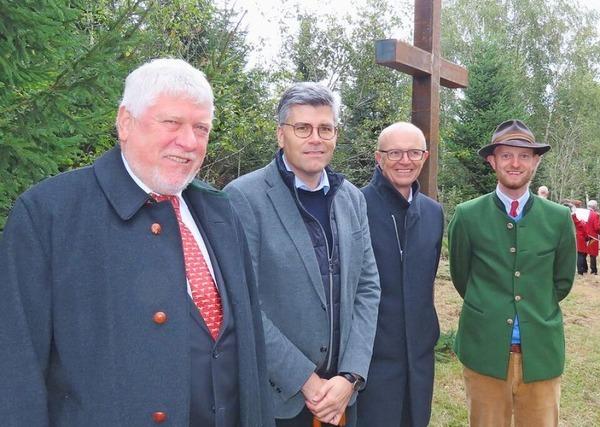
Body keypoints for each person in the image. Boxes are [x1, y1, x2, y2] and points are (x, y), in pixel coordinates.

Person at [0, 58, 274, 427]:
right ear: (125, 123)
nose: (190, 142)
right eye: (172, 123)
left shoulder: (220, 211)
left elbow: (249, 352)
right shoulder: (49, 214)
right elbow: (15, 369)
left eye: (201, 128)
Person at [224, 82, 380, 427]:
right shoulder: (243, 198)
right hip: (281, 399)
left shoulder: (352, 199)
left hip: (342, 397)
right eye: (303, 128)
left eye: (325, 128)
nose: (316, 138)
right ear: (281, 135)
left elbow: (367, 290)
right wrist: (307, 382)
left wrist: (350, 377)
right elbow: (242, 303)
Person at [448, 119, 576, 427]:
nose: (515, 163)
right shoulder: (467, 216)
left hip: (541, 352)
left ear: (536, 161)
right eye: (506, 155)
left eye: (523, 155)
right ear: (492, 161)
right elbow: (461, 277)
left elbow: (562, 282)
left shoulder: (558, 218)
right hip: (484, 351)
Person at [357, 122, 443, 427]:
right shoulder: (354, 205)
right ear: (378, 158)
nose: (405, 161)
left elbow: (426, 283)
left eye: (413, 152)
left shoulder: (433, 213)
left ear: (425, 156)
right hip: (371, 361)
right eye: (395, 152)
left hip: (419, 359)